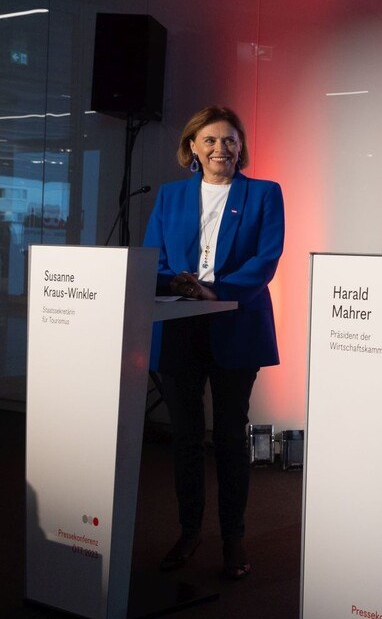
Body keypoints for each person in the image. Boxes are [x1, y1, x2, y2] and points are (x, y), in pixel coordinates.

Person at [143, 106, 285, 580]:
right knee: (185, 436)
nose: (221, 148)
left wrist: (216, 291)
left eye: (229, 140)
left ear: (241, 147)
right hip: (179, 324)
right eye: (210, 140)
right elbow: (153, 257)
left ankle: (233, 537)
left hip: (235, 321)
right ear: (192, 148)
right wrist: (178, 284)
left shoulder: (264, 193)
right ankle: (189, 532)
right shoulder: (170, 195)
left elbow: (266, 260)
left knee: (228, 435)